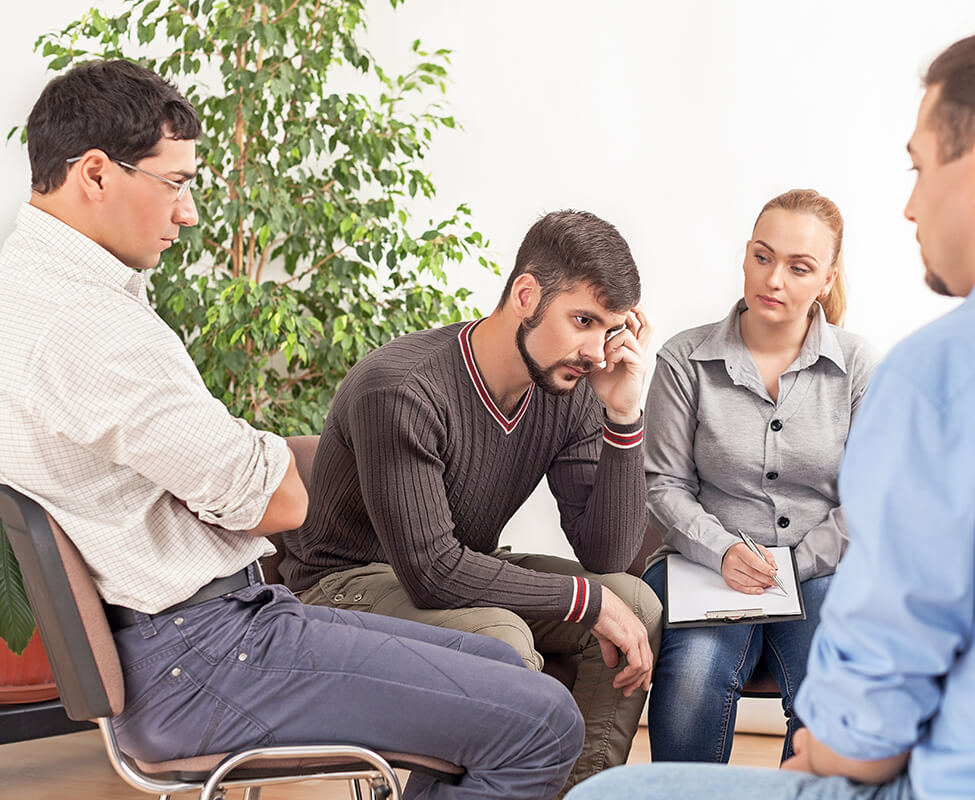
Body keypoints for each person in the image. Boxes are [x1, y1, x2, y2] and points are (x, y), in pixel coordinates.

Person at [566, 15, 975, 800]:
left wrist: (827, 751)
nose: (908, 208)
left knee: (606, 795)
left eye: (918, 166)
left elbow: (862, 740)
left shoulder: (947, 370)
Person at [0, 59, 584, 800]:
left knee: (501, 671)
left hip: (198, 637)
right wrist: (245, 458)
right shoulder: (86, 326)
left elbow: (235, 477)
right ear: (94, 174)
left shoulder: (27, 288)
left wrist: (233, 461)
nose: (188, 213)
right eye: (176, 183)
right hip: (205, 657)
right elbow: (281, 506)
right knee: (544, 722)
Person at [280, 209, 662, 794]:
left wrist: (623, 415)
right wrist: (585, 599)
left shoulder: (570, 386)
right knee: (499, 637)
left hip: (451, 570)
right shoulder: (403, 388)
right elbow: (432, 572)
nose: (595, 350)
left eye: (608, 329)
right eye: (582, 319)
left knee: (632, 601)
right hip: (344, 586)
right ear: (526, 294)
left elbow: (609, 554)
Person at [640, 188, 876, 763]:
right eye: (763, 258)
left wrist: (795, 565)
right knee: (693, 682)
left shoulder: (858, 365)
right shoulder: (684, 358)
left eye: (800, 268)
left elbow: (872, 499)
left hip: (823, 568)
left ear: (827, 279)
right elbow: (663, 484)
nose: (774, 280)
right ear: (746, 255)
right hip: (704, 566)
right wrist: (721, 550)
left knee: (831, 693)